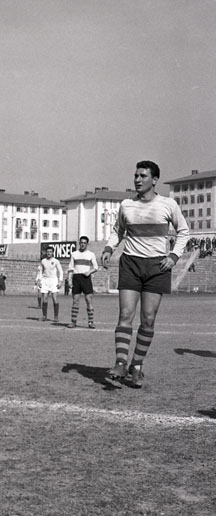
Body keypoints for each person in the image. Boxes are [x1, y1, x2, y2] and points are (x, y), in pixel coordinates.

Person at [101, 161, 189, 388]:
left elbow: (183, 231)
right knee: (125, 314)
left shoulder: (168, 204)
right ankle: (120, 363)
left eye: (143, 176)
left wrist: (173, 256)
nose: (137, 180)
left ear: (155, 180)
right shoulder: (127, 205)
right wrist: (109, 248)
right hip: (130, 263)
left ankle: (136, 366)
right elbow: (118, 231)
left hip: (157, 267)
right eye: (136, 176)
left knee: (148, 319)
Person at [66, 236, 98, 329]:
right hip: (76, 278)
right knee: (75, 300)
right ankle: (73, 322)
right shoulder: (74, 254)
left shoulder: (91, 254)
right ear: (79, 243)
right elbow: (71, 268)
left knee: (88, 300)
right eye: (81, 242)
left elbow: (96, 267)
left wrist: (89, 272)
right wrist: (69, 280)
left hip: (86, 278)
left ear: (87, 244)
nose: (83, 244)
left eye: (84, 243)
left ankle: (91, 322)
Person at [37, 246, 63, 322]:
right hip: (45, 280)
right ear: (46, 252)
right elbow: (40, 271)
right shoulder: (43, 261)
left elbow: (60, 271)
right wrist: (39, 280)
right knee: (44, 298)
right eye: (48, 252)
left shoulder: (56, 261)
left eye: (50, 252)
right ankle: (44, 316)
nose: (49, 253)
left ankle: (56, 316)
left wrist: (60, 281)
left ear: (52, 253)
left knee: (54, 298)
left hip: (53, 280)